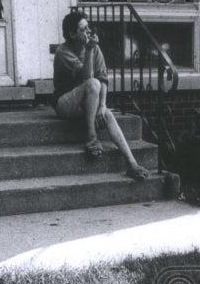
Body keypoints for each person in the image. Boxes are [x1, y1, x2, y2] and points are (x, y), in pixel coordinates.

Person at [53, 11, 150, 180]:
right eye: (83, 29)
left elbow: (103, 79)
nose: (89, 32)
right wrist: (90, 49)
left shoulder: (94, 49)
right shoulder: (63, 52)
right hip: (65, 103)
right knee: (92, 83)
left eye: (88, 27)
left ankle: (131, 163)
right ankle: (91, 138)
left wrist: (102, 106)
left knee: (107, 115)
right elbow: (87, 77)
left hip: (88, 102)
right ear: (72, 34)